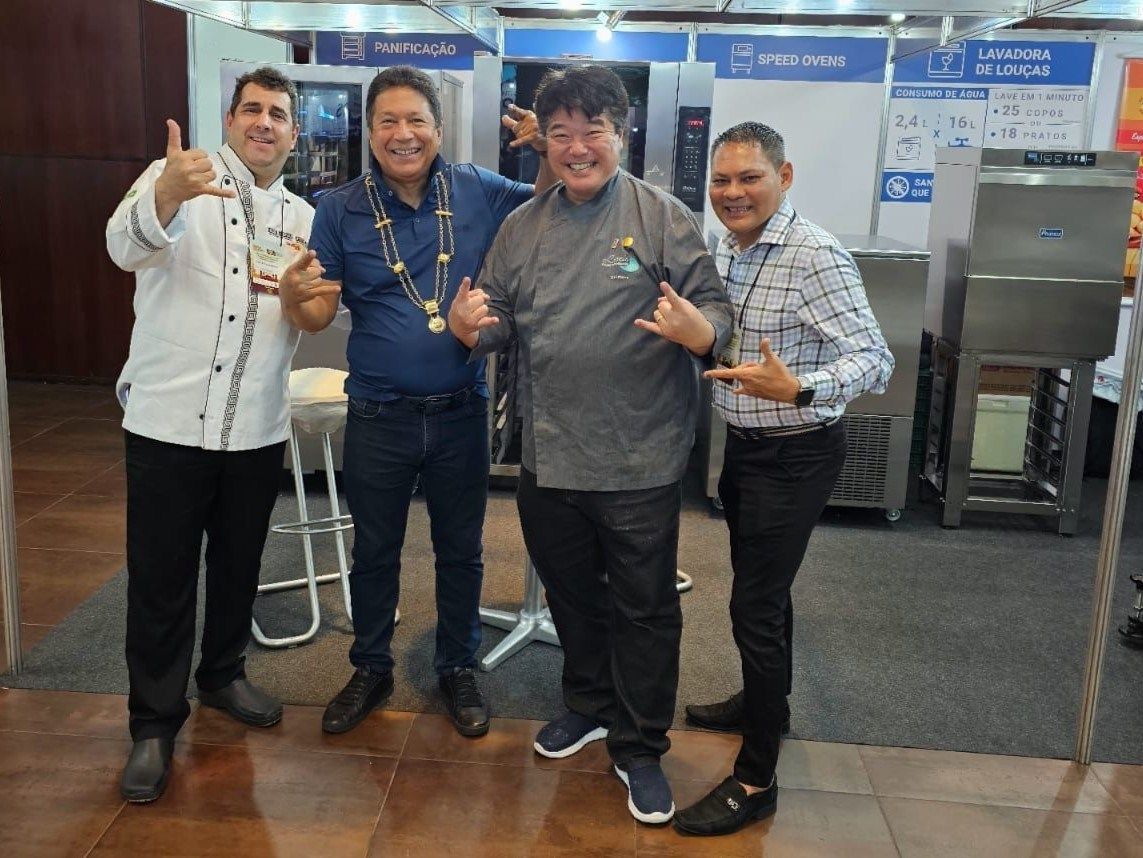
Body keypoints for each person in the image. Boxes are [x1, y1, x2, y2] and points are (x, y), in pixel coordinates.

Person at [448, 64, 733, 825]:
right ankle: (589, 704)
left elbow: (713, 310)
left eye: (593, 132)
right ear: (544, 141)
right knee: (572, 595)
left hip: (639, 453)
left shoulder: (661, 215)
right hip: (549, 452)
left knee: (642, 608)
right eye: (561, 134)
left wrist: (698, 333)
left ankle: (640, 747)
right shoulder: (524, 224)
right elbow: (500, 313)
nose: (577, 148)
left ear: (620, 135)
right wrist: (474, 326)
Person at [287, 66, 552, 738]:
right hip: (377, 415)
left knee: (459, 551)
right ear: (369, 131)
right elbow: (317, 312)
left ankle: (456, 667)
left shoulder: (476, 189)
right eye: (388, 122)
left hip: (460, 411)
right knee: (374, 550)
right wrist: (295, 297)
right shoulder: (338, 207)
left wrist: (548, 147)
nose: (402, 134)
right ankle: (370, 666)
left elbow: (549, 206)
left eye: (416, 121)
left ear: (437, 129)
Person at [105, 67, 330, 803]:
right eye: (252, 110)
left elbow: (302, 315)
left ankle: (224, 674)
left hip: (257, 427)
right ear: (230, 119)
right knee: (162, 578)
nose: (264, 123)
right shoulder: (179, 179)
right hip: (169, 422)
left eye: (279, 115)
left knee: (239, 565)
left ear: (295, 134)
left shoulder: (301, 215)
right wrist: (165, 195)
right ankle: (153, 723)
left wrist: (308, 307)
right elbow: (121, 247)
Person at [673, 121, 894, 836]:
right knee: (762, 596)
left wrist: (801, 388)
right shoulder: (729, 247)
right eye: (721, 180)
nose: (732, 193)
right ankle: (771, 703)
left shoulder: (813, 255)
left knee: (754, 609)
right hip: (745, 447)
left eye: (748, 178)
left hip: (795, 450)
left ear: (784, 176)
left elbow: (874, 358)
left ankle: (755, 777)